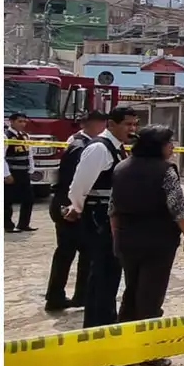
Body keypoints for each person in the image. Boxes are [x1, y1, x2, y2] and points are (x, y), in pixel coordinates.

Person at [110, 125, 184, 366]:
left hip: (127, 239)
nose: (173, 148)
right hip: (157, 242)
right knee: (150, 298)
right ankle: (148, 357)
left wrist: (117, 237)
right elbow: (178, 208)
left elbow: (113, 208)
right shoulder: (165, 171)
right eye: (170, 143)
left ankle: (120, 352)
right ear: (158, 146)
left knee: (131, 292)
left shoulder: (121, 167)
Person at [64, 106, 139, 329]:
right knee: (103, 271)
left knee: (108, 272)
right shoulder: (99, 148)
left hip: (111, 219)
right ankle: (99, 322)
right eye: (127, 124)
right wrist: (76, 207)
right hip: (98, 218)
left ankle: (103, 319)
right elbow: (79, 184)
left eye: (135, 124)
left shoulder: (118, 148)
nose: (132, 129)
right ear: (112, 124)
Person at [44, 110, 106, 312]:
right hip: (69, 206)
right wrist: (76, 206)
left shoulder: (77, 142)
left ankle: (74, 295)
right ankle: (63, 296)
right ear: (96, 125)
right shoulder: (82, 147)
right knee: (73, 252)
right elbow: (76, 182)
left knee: (72, 253)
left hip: (65, 203)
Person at [3, 112, 37, 233]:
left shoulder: (25, 136)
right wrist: (6, 174)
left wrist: (31, 169)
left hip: (24, 172)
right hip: (12, 172)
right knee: (8, 200)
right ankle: (8, 225)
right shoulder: (6, 136)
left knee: (29, 199)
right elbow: (2, 157)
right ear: (11, 122)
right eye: (20, 121)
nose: (23, 124)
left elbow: (29, 154)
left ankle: (24, 224)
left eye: (24, 121)